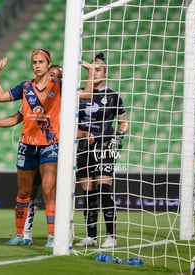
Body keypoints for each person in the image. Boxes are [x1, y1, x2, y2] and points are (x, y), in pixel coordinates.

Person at [0, 65, 62, 245]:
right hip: (27, 146)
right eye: (35, 61)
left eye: (58, 76)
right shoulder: (27, 90)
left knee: (48, 190)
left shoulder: (61, 92)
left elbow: (86, 94)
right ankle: (22, 235)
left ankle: (53, 236)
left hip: (50, 145)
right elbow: (15, 116)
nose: (54, 78)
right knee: (26, 193)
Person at [74, 53, 128, 248]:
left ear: (105, 73)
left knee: (104, 192)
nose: (95, 73)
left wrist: (117, 138)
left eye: (98, 70)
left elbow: (123, 123)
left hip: (105, 148)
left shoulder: (113, 96)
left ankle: (111, 236)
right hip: (83, 149)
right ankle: (90, 236)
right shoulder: (78, 94)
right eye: (92, 69)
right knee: (88, 195)